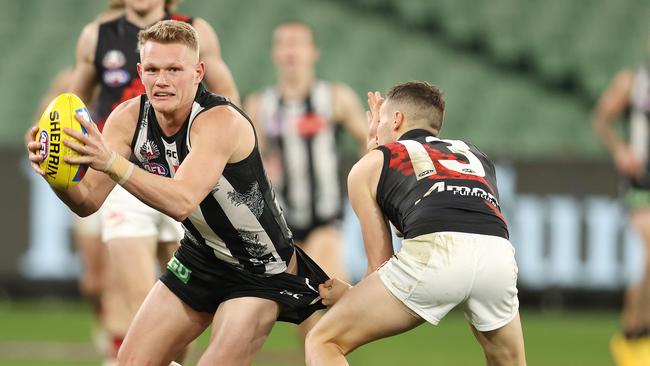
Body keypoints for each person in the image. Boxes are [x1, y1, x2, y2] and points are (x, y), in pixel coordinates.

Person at [26, 20, 328, 366]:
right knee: (130, 362)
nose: (162, 80)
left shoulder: (219, 121)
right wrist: (54, 174)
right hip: (200, 257)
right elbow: (88, 201)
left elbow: (182, 201)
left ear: (199, 72)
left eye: (174, 69)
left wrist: (111, 161)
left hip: (261, 268)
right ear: (139, 71)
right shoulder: (127, 119)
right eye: (152, 69)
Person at [304, 81, 527, 366]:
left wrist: (349, 296)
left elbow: (380, 267)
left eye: (380, 119)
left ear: (396, 120)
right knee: (508, 360)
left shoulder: (373, 163)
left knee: (323, 340)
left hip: (437, 253)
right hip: (497, 255)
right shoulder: (475, 155)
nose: (376, 126)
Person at [66, 0, 239, 361]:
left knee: (181, 310)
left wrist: (216, 151)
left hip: (183, 175)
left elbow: (229, 98)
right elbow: (73, 102)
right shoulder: (96, 36)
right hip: (122, 177)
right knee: (144, 304)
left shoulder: (195, 30)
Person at [243, 20, 367, 337]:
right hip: (280, 224)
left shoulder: (334, 98)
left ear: (313, 52)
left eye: (297, 43)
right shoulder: (261, 105)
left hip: (325, 218)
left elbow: (370, 143)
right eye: (283, 43)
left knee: (325, 298)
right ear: (275, 53)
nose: (290, 51)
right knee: (272, 315)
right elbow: (246, 162)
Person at [593, 61, 650, 365]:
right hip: (642, 182)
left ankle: (641, 331)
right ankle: (632, 333)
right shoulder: (634, 81)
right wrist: (620, 150)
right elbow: (602, 119)